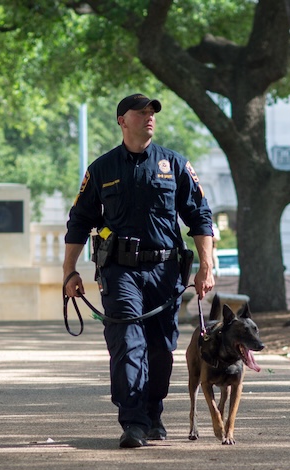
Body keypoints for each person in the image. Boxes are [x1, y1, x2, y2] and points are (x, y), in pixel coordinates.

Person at [63, 93, 216, 449]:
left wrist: (205, 265)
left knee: (162, 348)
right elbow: (79, 222)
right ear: (122, 120)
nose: (149, 117)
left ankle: (152, 412)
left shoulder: (174, 164)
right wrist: (70, 271)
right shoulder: (102, 169)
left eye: (152, 113)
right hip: (119, 272)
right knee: (128, 342)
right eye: (141, 112)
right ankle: (132, 421)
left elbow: (200, 216)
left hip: (165, 272)